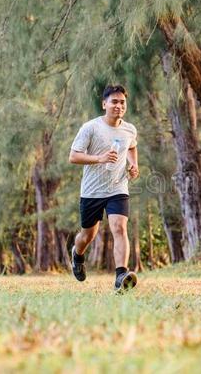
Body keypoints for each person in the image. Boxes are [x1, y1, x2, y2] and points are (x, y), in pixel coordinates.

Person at [68, 84, 140, 291]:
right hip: (92, 191)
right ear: (104, 104)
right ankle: (77, 254)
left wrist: (134, 165)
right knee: (87, 235)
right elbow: (73, 156)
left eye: (122, 102)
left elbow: (132, 146)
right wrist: (99, 158)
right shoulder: (90, 127)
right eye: (114, 102)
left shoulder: (129, 129)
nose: (118, 106)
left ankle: (121, 276)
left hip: (118, 187)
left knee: (119, 227)